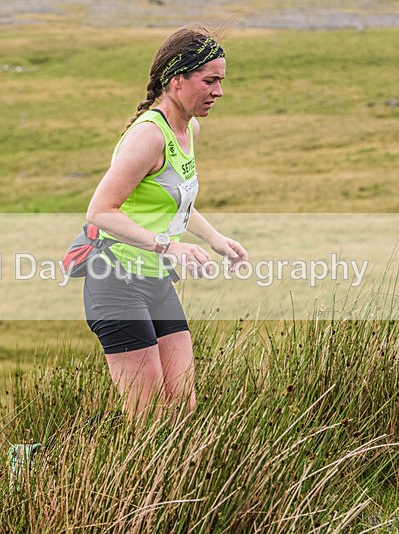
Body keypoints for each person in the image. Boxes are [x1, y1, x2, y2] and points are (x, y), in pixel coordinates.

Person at [84, 25, 248, 421]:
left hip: (156, 283)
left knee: (184, 409)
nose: (218, 92)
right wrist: (169, 245)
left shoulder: (189, 129)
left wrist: (214, 238)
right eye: (209, 81)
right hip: (115, 284)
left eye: (221, 81)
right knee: (150, 418)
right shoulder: (149, 137)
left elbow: (177, 200)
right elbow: (100, 212)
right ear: (177, 81)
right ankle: (37, 461)